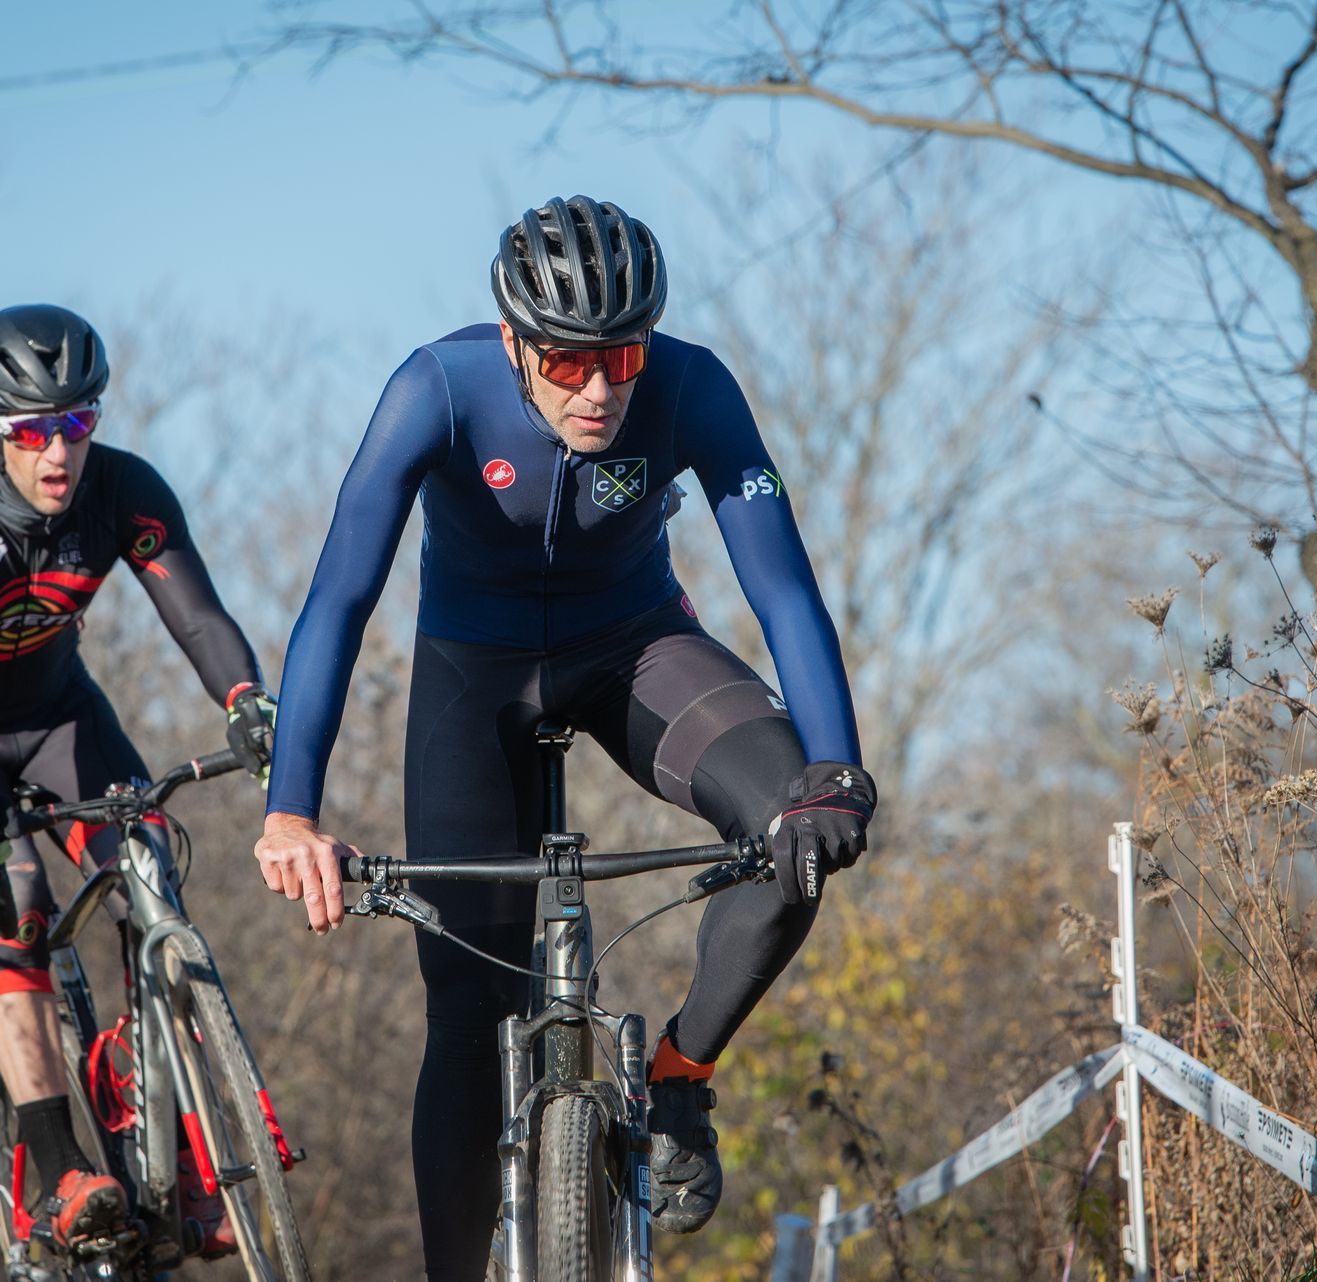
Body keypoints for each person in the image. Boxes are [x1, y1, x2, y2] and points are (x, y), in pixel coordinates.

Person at [252, 196, 877, 1280]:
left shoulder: (691, 385)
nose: (599, 388)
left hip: (635, 647)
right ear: (511, 341)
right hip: (473, 674)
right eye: (566, 359)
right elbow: (339, 602)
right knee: (465, 1014)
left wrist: (835, 769)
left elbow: (781, 586)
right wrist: (291, 810)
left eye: (621, 354)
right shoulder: (434, 389)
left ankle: (677, 1074)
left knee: (795, 834)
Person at [0, 304, 276, 1251]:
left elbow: (200, 621)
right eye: (36, 431)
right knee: (18, 905)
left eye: (79, 424)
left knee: (151, 871)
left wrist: (250, 702)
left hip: (57, 719)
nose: (60, 452)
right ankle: (61, 1173)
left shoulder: (122, 491)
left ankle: (152, 1094)